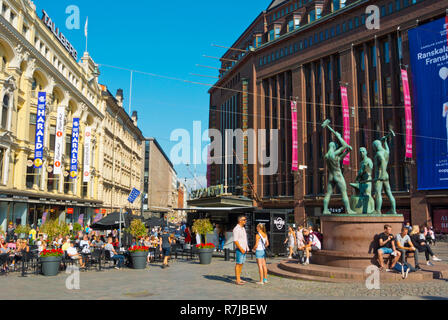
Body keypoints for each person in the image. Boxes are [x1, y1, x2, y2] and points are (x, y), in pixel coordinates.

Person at [233, 215, 249, 285]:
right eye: (244, 220)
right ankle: (237, 279)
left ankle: (239, 278)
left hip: (244, 248)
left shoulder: (243, 228)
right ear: (240, 221)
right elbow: (235, 240)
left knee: (241, 263)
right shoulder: (236, 229)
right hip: (240, 249)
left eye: (245, 219)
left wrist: (246, 247)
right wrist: (241, 248)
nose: (245, 221)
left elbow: (244, 239)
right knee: (238, 263)